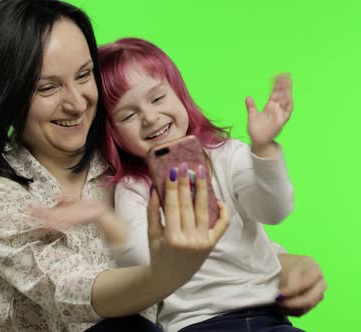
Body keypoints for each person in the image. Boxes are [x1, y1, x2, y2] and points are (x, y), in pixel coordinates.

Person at [0, 1, 326, 331]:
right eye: (47, 88)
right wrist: (164, 274)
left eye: (85, 75)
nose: (77, 103)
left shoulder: (134, 160)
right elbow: (69, 291)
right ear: (4, 97)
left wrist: (286, 265)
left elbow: (210, 229)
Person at [91, 37, 301, 332]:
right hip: (196, 324)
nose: (150, 118)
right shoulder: (134, 187)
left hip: (270, 319)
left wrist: (263, 149)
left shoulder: (229, 156)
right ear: (113, 134)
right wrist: (175, 228)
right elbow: (138, 260)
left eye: (158, 98)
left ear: (179, 94)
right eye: (128, 115)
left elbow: (274, 210)